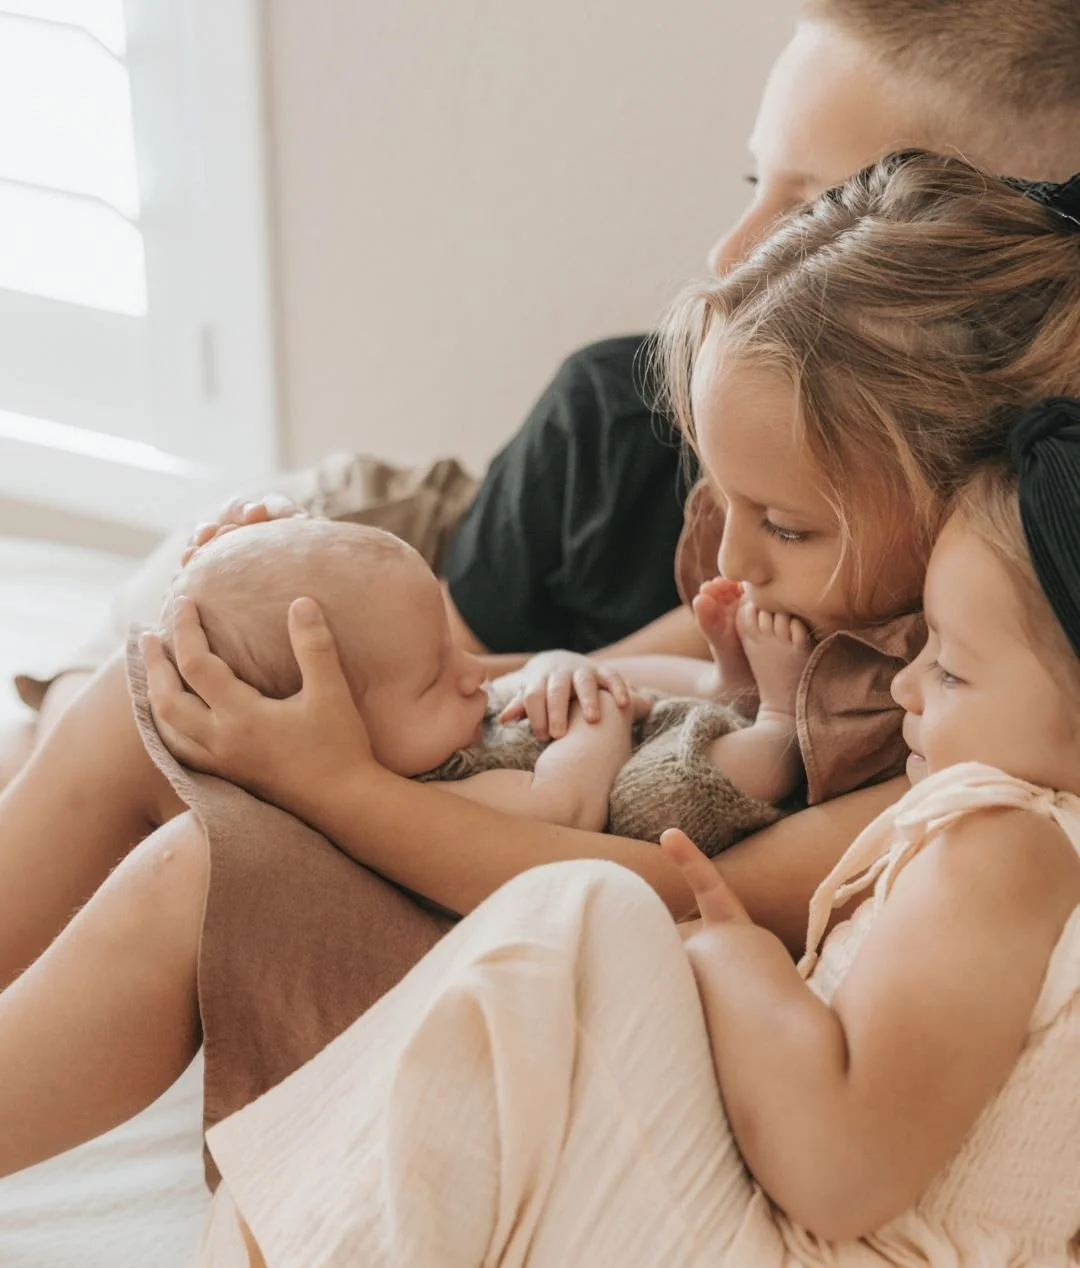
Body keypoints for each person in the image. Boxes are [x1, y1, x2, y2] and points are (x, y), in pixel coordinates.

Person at [3, 154, 1080, 1198]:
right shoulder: (795, 592)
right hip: (517, 849)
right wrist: (291, 640)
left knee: (197, 875)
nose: (737, 561)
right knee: (138, 700)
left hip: (588, 970)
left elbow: (656, 899)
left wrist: (339, 788)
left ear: (960, 496)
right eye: (726, 502)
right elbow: (550, 692)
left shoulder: (971, 732)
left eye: (787, 526)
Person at [164, 398, 1080, 1268]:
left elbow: (841, 1175)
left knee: (578, 919)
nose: (902, 686)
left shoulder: (1003, 840)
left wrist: (732, 958)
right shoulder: (1022, 842)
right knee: (574, 946)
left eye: (953, 671)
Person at [2, 0, 1078, 788]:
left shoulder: (1000, 560)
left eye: (812, 218)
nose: (728, 252)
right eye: (757, 187)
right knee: (94, 718)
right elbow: (448, 691)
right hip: (423, 561)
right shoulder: (622, 422)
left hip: (502, 647)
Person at [161, 514, 807, 848]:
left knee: (590, 675)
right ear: (340, 732)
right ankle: (779, 724)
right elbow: (569, 807)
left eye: (448, 650)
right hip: (611, 784)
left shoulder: (434, 725)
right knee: (662, 791)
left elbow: (528, 680)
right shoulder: (426, 796)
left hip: (599, 732)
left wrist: (559, 666)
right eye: (434, 678)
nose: (473, 671)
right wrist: (596, 716)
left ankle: (726, 683)